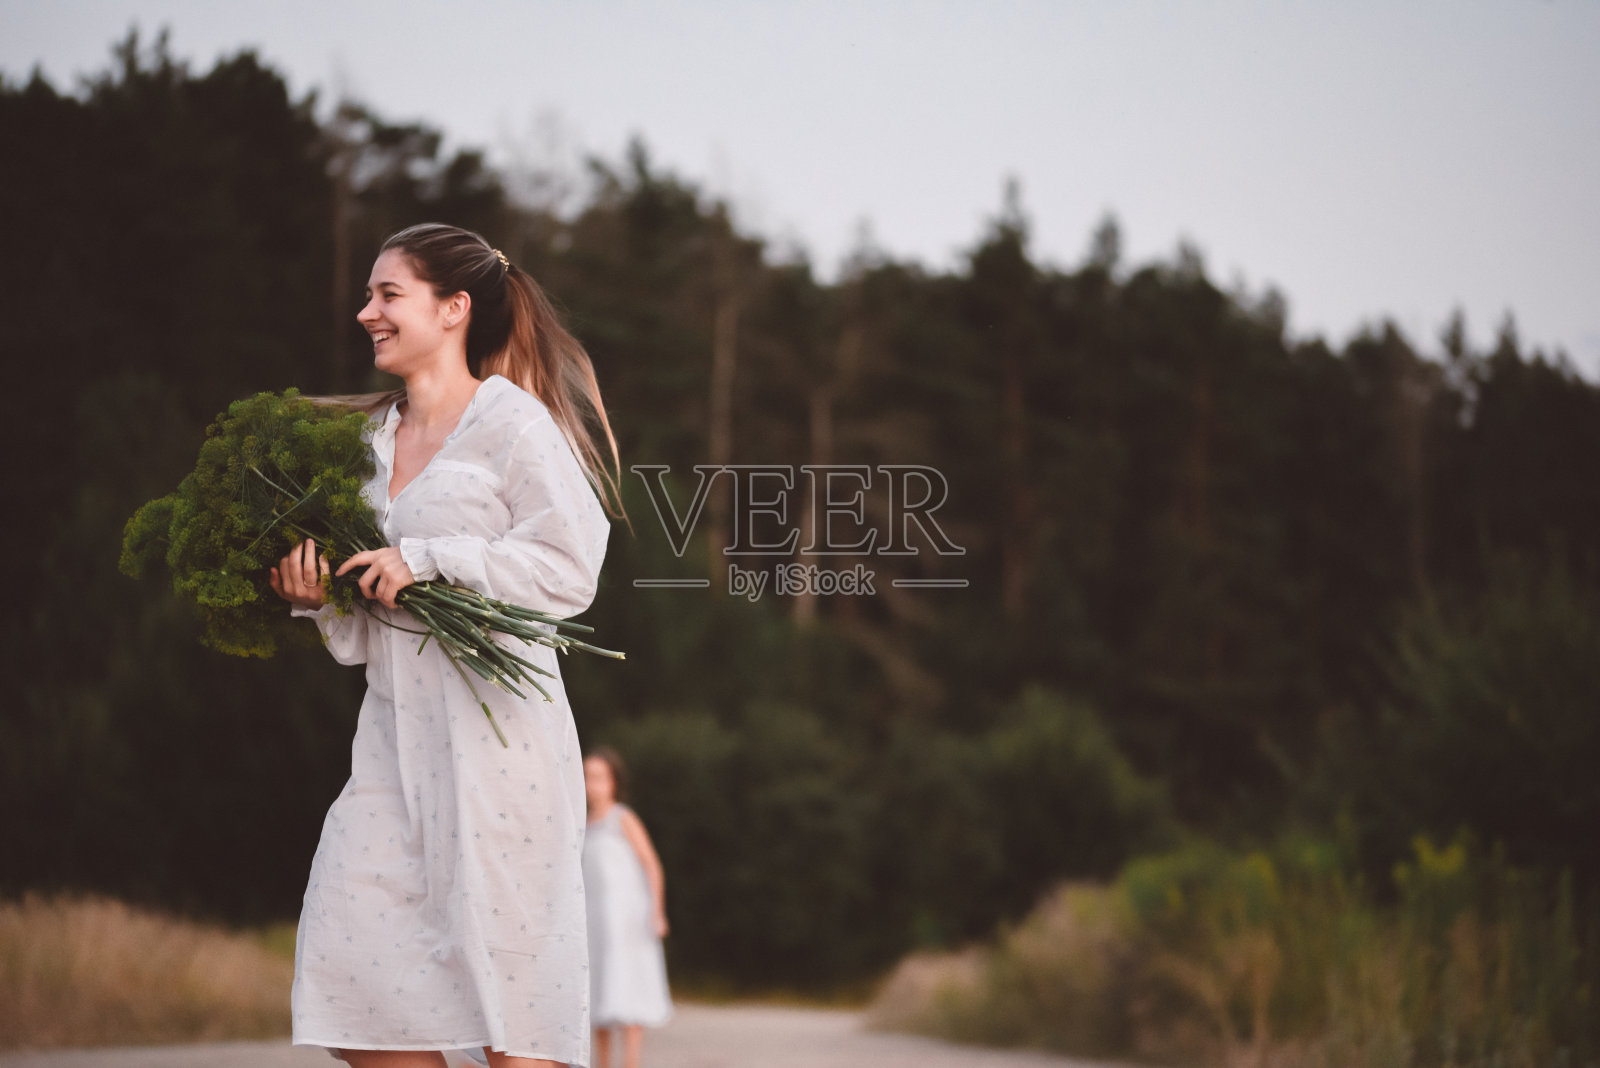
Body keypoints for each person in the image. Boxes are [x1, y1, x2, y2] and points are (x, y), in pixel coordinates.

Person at [270, 222, 623, 1068]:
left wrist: (427, 558)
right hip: (393, 749)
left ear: (454, 308)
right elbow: (364, 642)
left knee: (513, 1020)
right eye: (368, 295)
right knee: (355, 976)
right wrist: (322, 600)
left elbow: (570, 570)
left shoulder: (512, 423)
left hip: (501, 749)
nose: (367, 313)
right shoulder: (367, 447)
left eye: (388, 294)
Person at [581, 748, 673, 1068]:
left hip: (627, 919)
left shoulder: (623, 818)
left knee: (630, 989)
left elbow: (651, 865)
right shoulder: (583, 824)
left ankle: (631, 1063)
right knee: (599, 994)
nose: (590, 784)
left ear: (613, 782)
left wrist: (657, 911)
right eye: (586, 777)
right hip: (595, 922)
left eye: (597, 777)